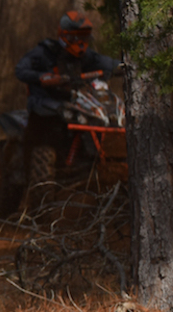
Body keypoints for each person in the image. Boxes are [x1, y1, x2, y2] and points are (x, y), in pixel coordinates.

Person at [13, 11, 119, 186]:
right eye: (76, 37)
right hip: (44, 107)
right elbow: (20, 70)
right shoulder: (44, 52)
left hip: (73, 104)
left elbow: (106, 62)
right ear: (65, 36)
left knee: (105, 117)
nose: (81, 43)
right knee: (40, 138)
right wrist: (43, 77)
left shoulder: (86, 56)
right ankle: (30, 178)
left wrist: (123, 66)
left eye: (84, 37)